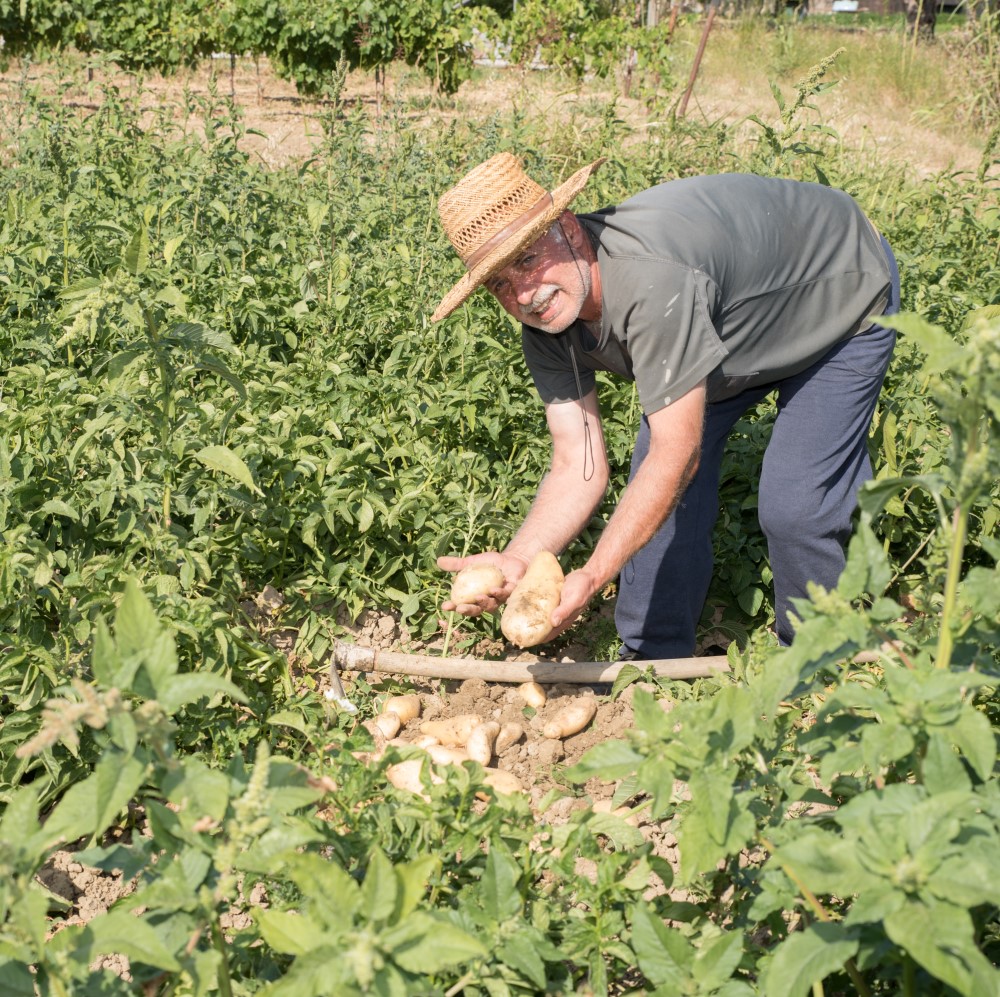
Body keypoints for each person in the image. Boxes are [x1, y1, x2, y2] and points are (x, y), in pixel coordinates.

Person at [431, 153, 899, 659]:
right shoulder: (547, 326)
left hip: (840, 294)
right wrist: (519, 558)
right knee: (656, 499)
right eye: (499, 282)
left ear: (568, 227)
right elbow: (577, 467)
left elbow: (675, 454)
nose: (524, 294)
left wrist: (590, 577)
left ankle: (822, 663)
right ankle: (654, 662)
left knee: (796, 504)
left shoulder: (652, 283)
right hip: (727, 323)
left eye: (527, 258)